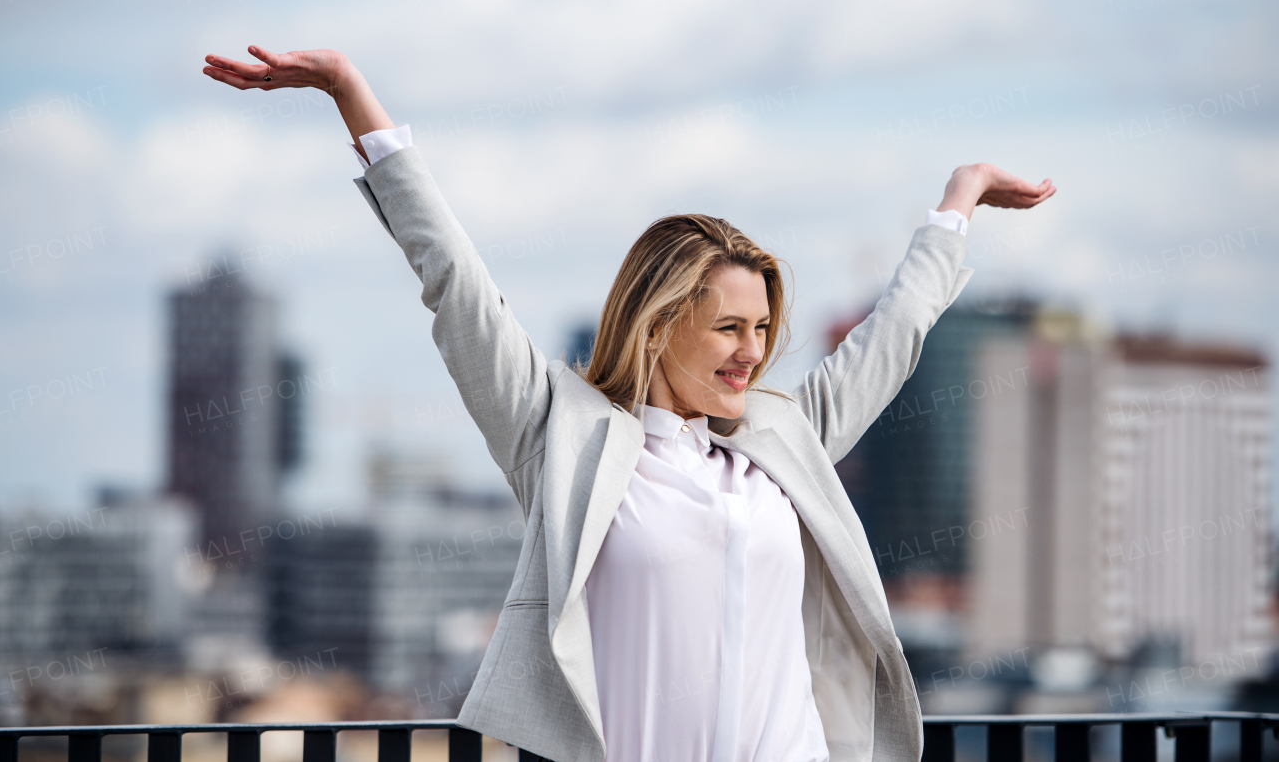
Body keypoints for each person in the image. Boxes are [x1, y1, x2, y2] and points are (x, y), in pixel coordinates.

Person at [203, 46, 1055, 762]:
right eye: (728, 327)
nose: (753, 351)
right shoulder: (560, 436)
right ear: (659, 325)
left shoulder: (783, 441)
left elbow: (891, 335)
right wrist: (352, 91)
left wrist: (959, 202)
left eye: (762, 327)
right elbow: (457, 284)